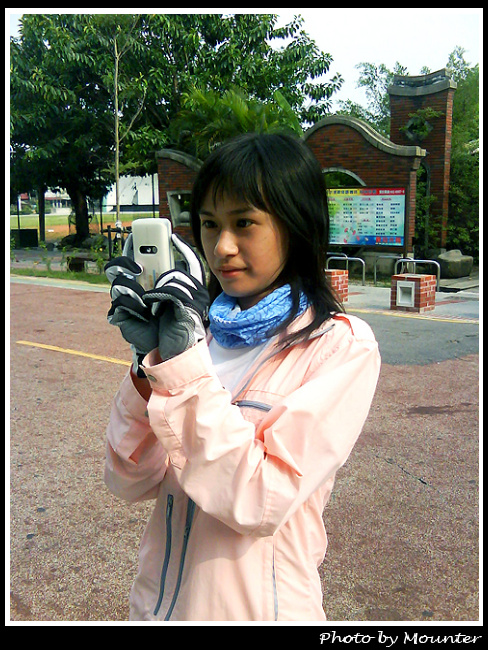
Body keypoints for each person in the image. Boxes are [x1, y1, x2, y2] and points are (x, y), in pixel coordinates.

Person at [104, 132, 381, 622]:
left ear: (296, 224)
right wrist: (148, 365)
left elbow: (260, 499)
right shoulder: (198, 336)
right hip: (159, 608)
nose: (222, 246)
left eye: (244, 223)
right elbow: (128, 481)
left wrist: (182, 369)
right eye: (209, 224)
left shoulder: (340, 345)